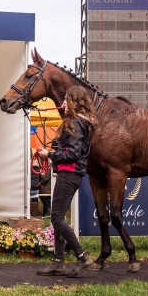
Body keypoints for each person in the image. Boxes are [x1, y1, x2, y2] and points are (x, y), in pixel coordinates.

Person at [36, 85, 96, 277]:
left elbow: (72, 153)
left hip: (69, 173)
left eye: (66, 100)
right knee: (58, 217)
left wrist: (50, 154)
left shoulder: (76, 123)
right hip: (70, 173)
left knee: (57, 218)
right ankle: (58, 262)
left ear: (73, 102)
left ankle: (82, 257)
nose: (62, 103)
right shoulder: (79, 122)